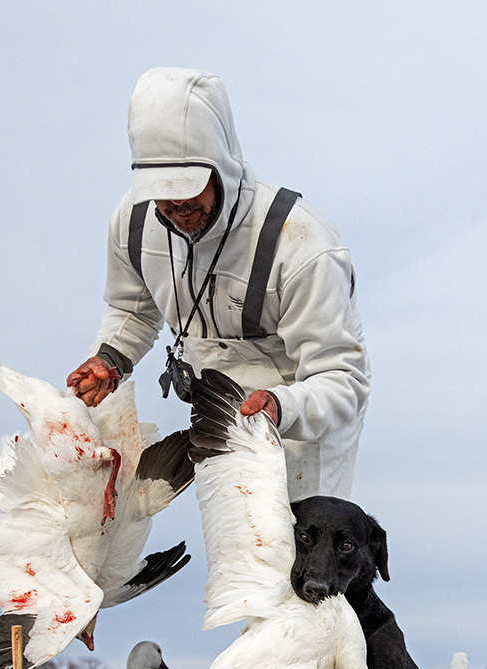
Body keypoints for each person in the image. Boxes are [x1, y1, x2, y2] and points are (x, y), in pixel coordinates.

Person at [68, 67, 370, 501]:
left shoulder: (301, 244)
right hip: (217, 411)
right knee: (237, 561)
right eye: (160, 188)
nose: (176, 204)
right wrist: (111, 358)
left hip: (303, 415)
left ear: (223, 166)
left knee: (298, 561)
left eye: (188, 184)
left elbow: (342, 378)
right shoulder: (131, 224)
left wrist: (280, 406)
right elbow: (134, 309)